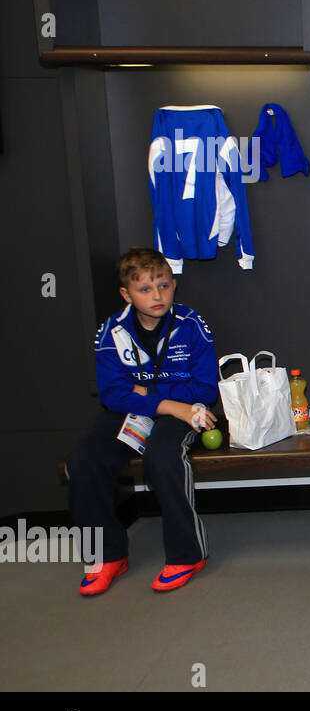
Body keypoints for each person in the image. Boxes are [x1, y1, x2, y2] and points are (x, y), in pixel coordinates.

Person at [66, 247, 219, 594]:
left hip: (185, 411)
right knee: (83, 462)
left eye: (163, 286)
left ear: (174, 285)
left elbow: (205, 387)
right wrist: (167, 401)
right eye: (145, 289)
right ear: (126, 293)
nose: (157, 296)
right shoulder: (111, 330)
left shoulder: (191, 324)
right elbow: (112, 394)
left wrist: (146, 391)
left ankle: (187, 554)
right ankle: (106, 556)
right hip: (141, 412)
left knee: (162, 458)